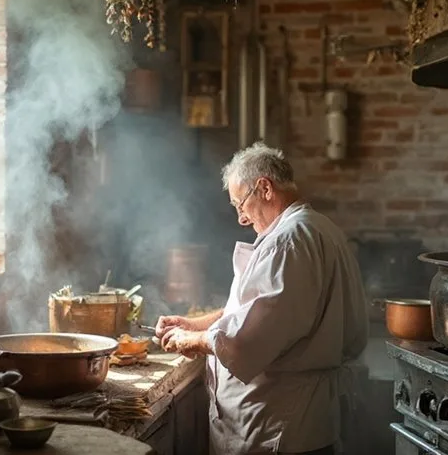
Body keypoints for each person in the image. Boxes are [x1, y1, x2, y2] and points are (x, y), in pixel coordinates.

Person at [157, 142, 368, 455]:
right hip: (300, 423)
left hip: (276, 429)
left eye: (240, 205)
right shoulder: (322, 229)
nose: (241, 218)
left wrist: (190, 340)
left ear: (265, 188)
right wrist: (194, 323)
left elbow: (247, 341)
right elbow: (255, 312)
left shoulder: (287, 241)